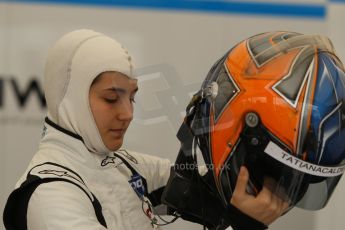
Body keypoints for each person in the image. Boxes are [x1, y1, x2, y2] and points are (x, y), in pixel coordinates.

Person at [3, 29, 287, 230]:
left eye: (132, 97)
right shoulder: (49, 194)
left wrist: (259, 156)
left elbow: (201, 190)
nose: (128, 113)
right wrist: (240, 225)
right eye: (111, 98)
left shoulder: (127, 167)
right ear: (70, 98)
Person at [162, 31, 345, 229]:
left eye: (298, 183)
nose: (276, 199)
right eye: (274, 172)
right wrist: (242, 225)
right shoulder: (134, 187)